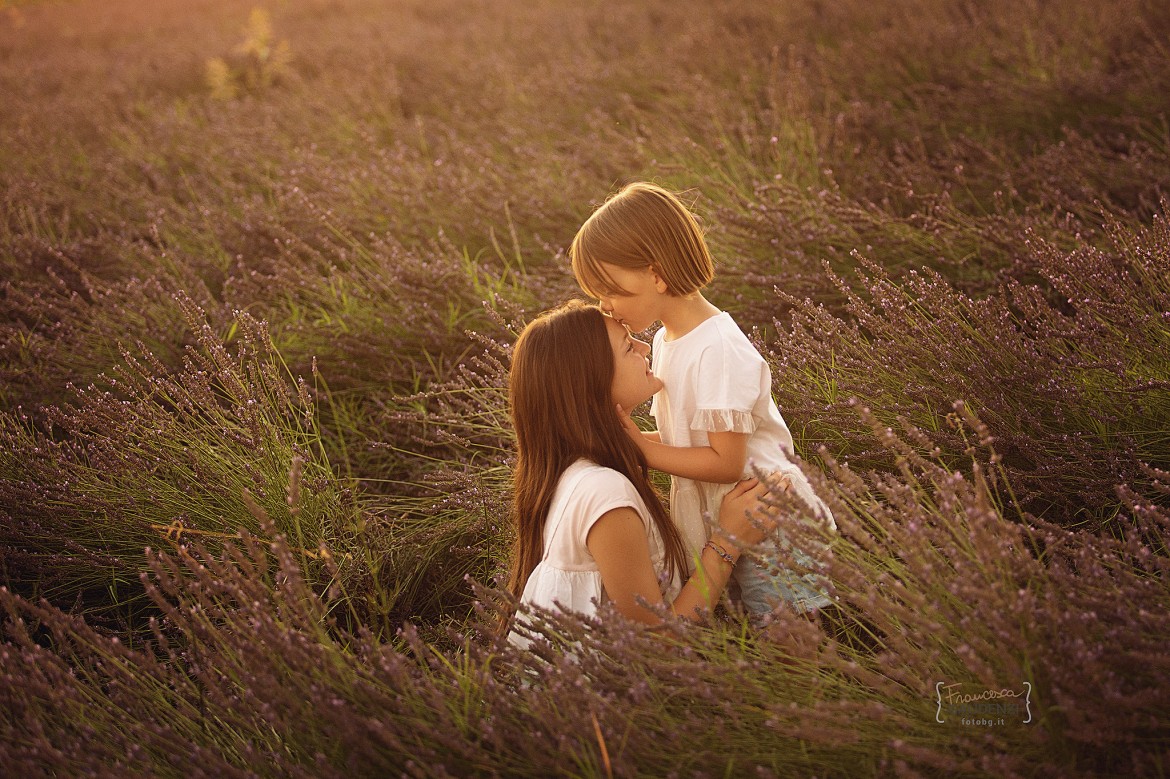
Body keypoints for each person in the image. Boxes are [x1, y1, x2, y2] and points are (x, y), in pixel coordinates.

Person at [569, 181, 836, 620]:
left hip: (772, 521)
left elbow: (726, 461)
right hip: (731, 520)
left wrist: (645, 451)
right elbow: (685, 435)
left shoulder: (718, 347)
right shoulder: (669, 339)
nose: (607, 306)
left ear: (656, 275)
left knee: (794, 654)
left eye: (613, 290)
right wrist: (624, 438)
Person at [505, 300, 773, 646]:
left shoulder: (574, 473)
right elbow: (659, 640)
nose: (647, 346)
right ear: (592, 381)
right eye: (628, 346)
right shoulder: (604, 494)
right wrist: (727, 542)